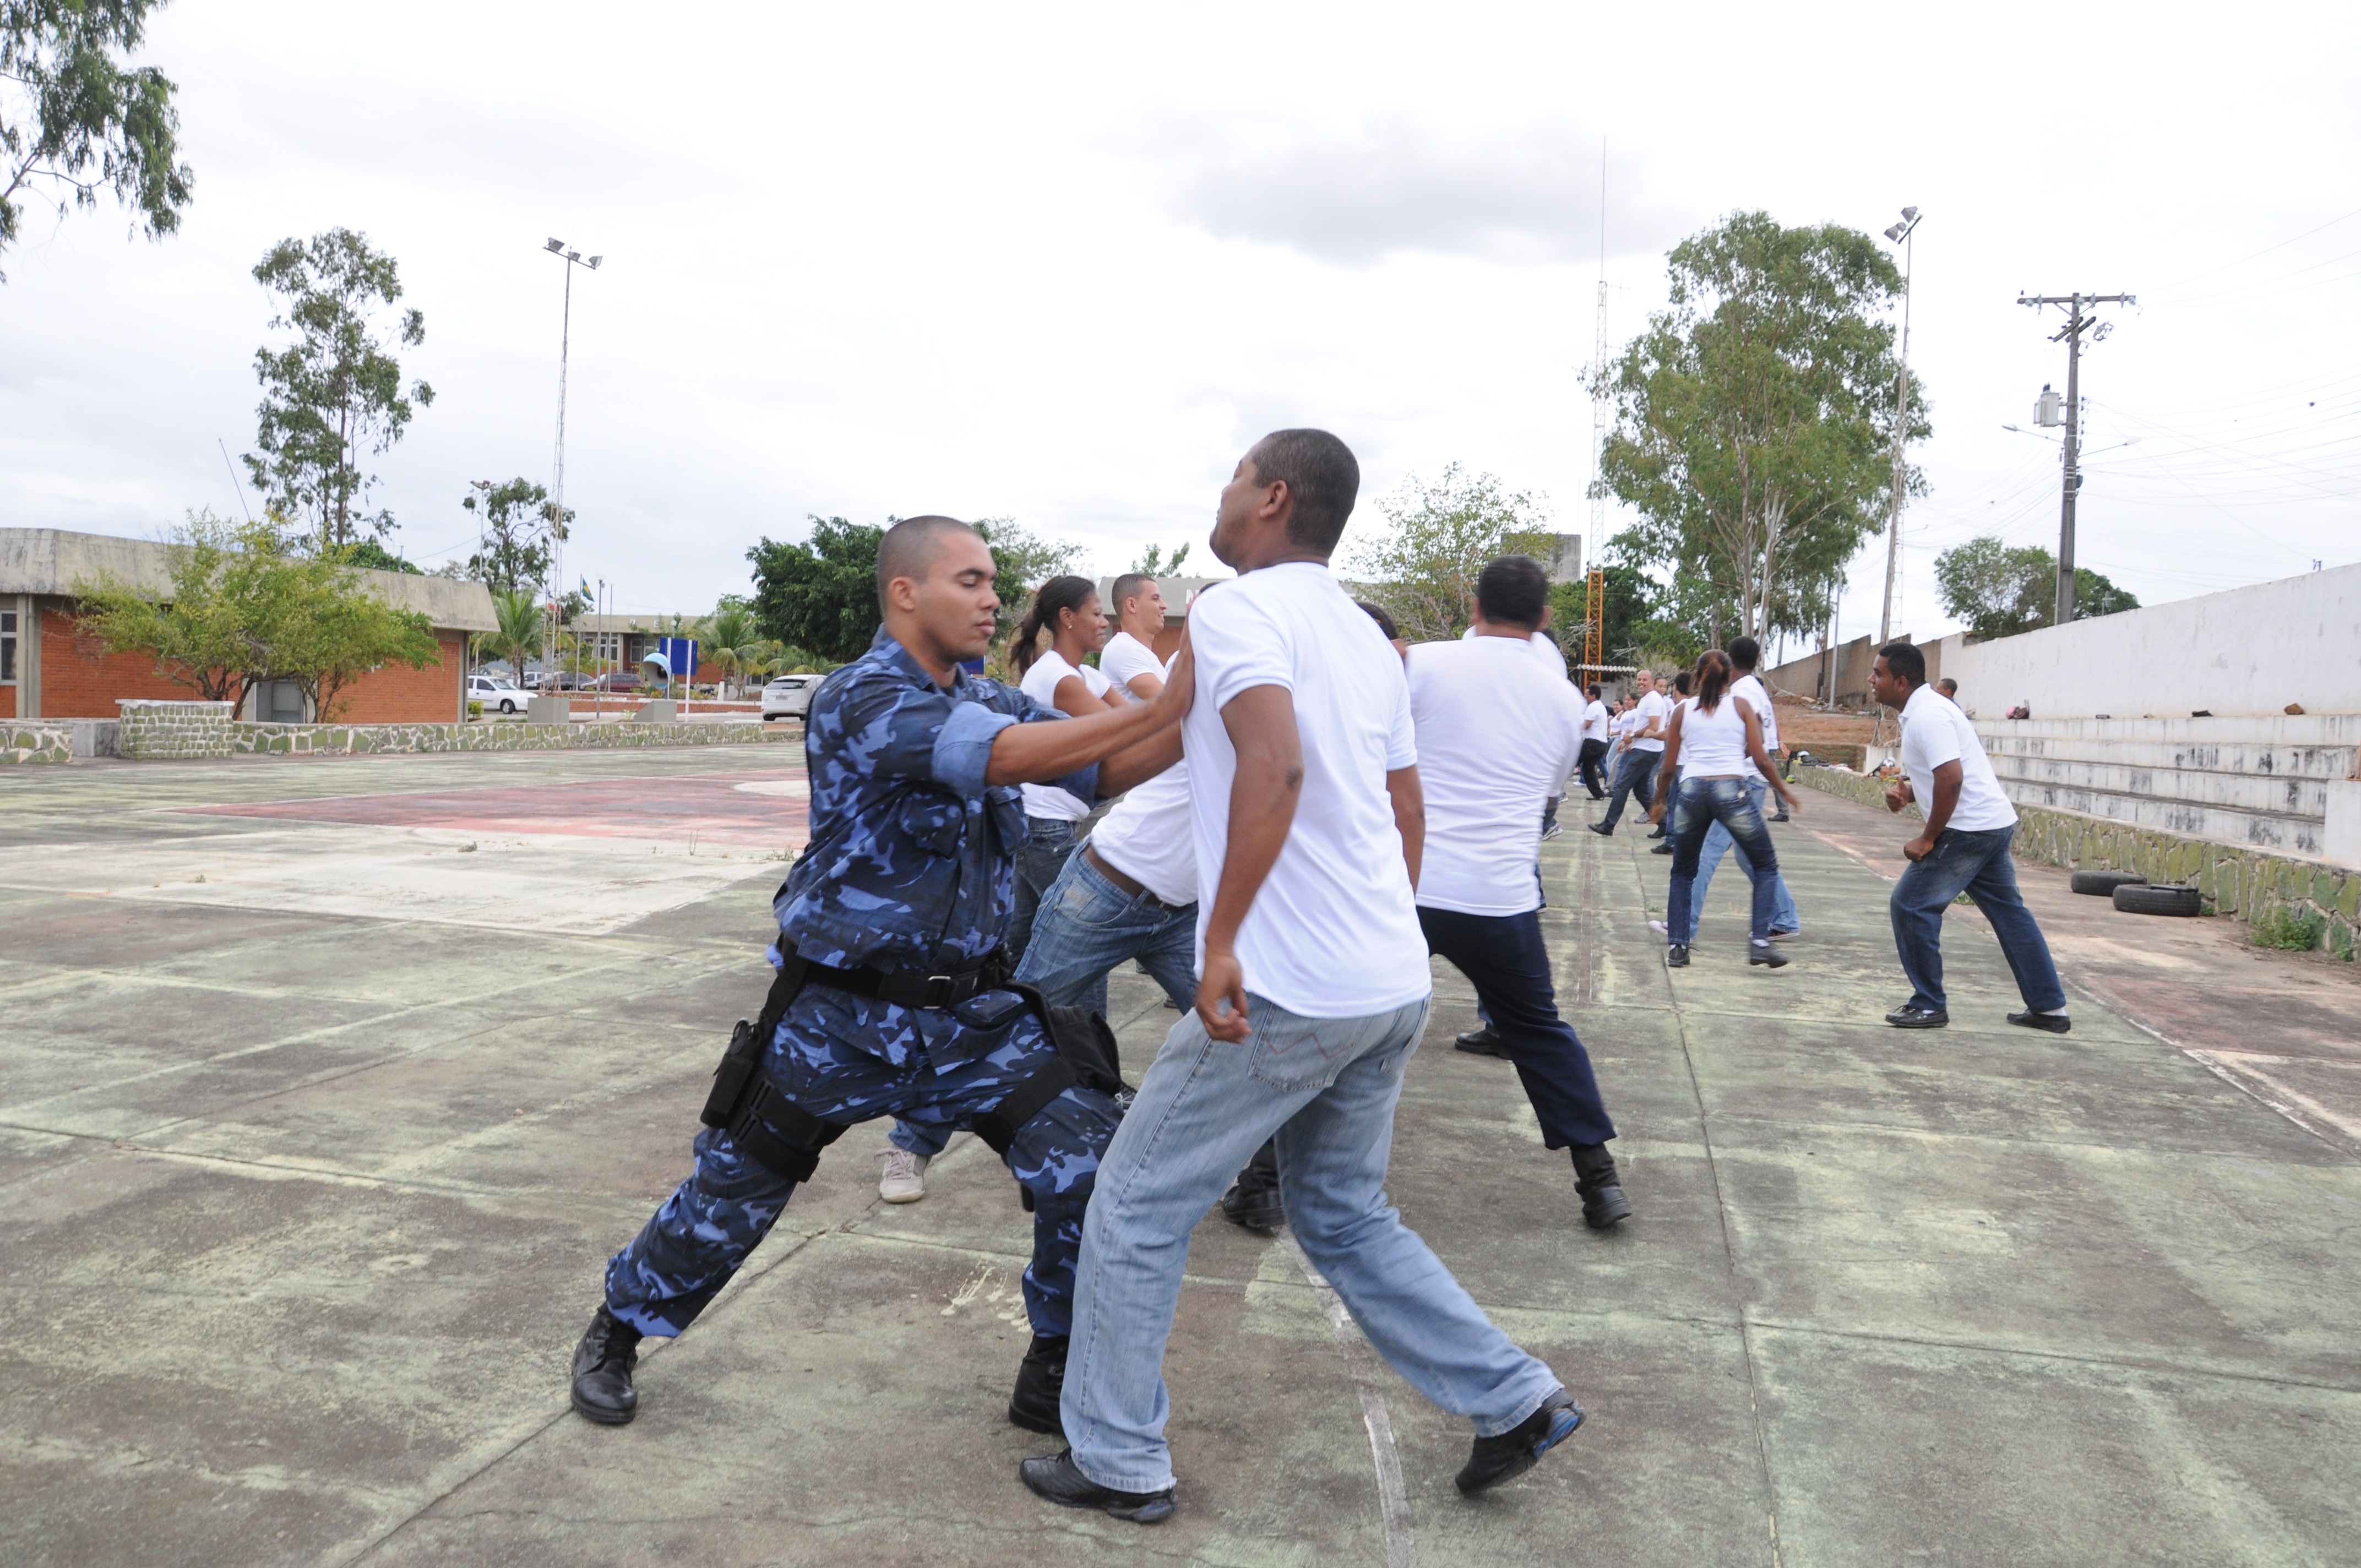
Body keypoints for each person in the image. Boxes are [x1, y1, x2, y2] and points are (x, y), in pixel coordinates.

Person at [1024, 431, 1584, 1523]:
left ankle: (1117, 1455)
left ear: (1273, 496)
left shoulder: (1237, 607)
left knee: (1133, 1204)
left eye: (1235, 474)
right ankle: (1511, 1396)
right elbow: (1399, 803)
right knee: (1341, 1213)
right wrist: (1374, 923)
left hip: (1291, 983)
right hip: (1383, 978)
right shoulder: (1368, 637)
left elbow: (1271, 762)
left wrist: (1221, 937)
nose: (1222, 491)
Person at [568, 516, 1192, 1440]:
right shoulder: (863, 697)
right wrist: (1191, 695)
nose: (991, 599)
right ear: (906, 592)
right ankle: (618, 1328)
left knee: (1090, 1166)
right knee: (734, 1192)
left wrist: (1210, 714)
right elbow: (1005, 758)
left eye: (993, 583)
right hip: (842, 1015)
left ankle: (1050, 1363)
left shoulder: (984, 695)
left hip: (974, 1016)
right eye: (970, 580)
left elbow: (1103, 760)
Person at [1410, 554, 1630, 1230]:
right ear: (1542, 620)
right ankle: (1600, 1183)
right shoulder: (1568, 701)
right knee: (1539, 1033)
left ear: (1474, 609)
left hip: (1410, 888)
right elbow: (1543, 795)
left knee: (1328, 1020)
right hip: (1501, 898)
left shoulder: (1422, 664)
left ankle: (1264, 1178)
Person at [1870, 642, 2069, 1032]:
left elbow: (1953, 778)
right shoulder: (1926, 711)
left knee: (1911, 904)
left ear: (1901, 681)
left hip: (1969, 830)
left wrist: (1928, 838)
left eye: (1878, 674)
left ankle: (1928, 1004)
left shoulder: (1928, 715)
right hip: (1989, 823)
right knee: (2010, 915)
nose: (1872, 681)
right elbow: (1942, 775)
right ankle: (2050, 1009)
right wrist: (1910, 793)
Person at [1649, 649, 1800, 970]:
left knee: (1683, 871)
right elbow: (1760, 758)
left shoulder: (1681, 710)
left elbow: (1669, 766)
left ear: (1697, 676)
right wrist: (1784, 790)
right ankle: (1760, 942)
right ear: (1730, 676)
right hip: (1731, 790)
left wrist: (1659, 800)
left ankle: (1678, 945)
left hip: (1692, 791)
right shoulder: (1741, 705)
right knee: (1765, 865)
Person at [1010, 576, 1128, 963]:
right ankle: (1085, 1026)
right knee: (1085, 938)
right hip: (1042, 824)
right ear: (1068, 618)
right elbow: (1128, 733)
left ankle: (1010, 1017)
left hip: (1049, 823)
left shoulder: (1087, 676)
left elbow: (1144, 724)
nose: (1104, 623)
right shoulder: (1057, 677)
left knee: (1022, 943)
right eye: (1096, 613)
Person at [1590, 668, 1668, 835]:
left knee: (1621, 786)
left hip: (1646, 751)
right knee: (1641, 792)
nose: (1640, 682)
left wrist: (1632, 736)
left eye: (1645, 680)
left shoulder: (1653, 700)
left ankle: (1608, 825)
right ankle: (1665, 824)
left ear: (1653, 682)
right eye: (1639, 679)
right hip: (1645, 749)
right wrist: (1629, 740)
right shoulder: (1648, 699)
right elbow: (1643, 726)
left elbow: (1654, 727)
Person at [1101, 573, 1169, 701]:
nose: (1164, 605)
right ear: (1132, 605)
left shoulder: (1139, 651)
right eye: (1155, 598)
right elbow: (1169, 704)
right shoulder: (1123, 649)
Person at [1576, 682, 1612, 799]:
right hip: (1601, 743)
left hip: (1592, 742)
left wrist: (1574, 726)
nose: (1585, 697)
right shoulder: (1601, 706)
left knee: (1571, 761)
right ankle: (1598, 794)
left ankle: (1558, 791)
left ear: (1594, 695)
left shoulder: (1593, 706)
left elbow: (1587, 725)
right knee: (1588, 769)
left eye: (1587, 694)